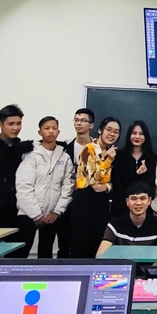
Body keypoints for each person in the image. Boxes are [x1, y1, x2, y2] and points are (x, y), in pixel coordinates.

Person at [15, 116, 74, 258]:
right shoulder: (31, 156)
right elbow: (23, 187)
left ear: (58, 132)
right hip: (28, 214)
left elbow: (68, 187)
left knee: (46, 255)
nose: (51, 131)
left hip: (52, 215)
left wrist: (57, 212)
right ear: (40, 132)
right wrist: (37, 215)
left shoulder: (64, 157)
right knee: (20, 254)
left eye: (54, 128)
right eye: (47, 128)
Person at [70, 116, 121, 258]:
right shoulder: (89, 149)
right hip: (84, 201)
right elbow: (92, 179)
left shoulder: (111, 152)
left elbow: (113, 182)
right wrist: (108, 161)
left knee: (98, 245)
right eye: (109, 130)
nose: (112, 134)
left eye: (116, 132)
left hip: (102, 202)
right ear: (100, 130)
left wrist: (107, 187)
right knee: (81, 246)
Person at [96, 182, 157, 256]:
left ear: (149, 201)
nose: (138, 203)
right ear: (127, 202)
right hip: (122, 263)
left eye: (143, 198)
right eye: (133, 199)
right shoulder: (115, 224)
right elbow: (100, 255)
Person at [61, 108, 96, 258]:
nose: (78, 123)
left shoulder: (98, 148)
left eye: (83, 120)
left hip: (90, 201)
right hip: (67, 200)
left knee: (87, 243)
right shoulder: (65, 147)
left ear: (91, 125)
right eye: (76, 120)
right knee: (64, 244)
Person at [111, 120, 157, 218]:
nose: (137, 136)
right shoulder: (119, 156)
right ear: (129, 135)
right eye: (134, 133)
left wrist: (143, 175)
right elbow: (117, 183)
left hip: (143, 210)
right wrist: (137, 175)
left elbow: (150, 186)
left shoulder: (152, 159)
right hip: (120, 207)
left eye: (141, 134)